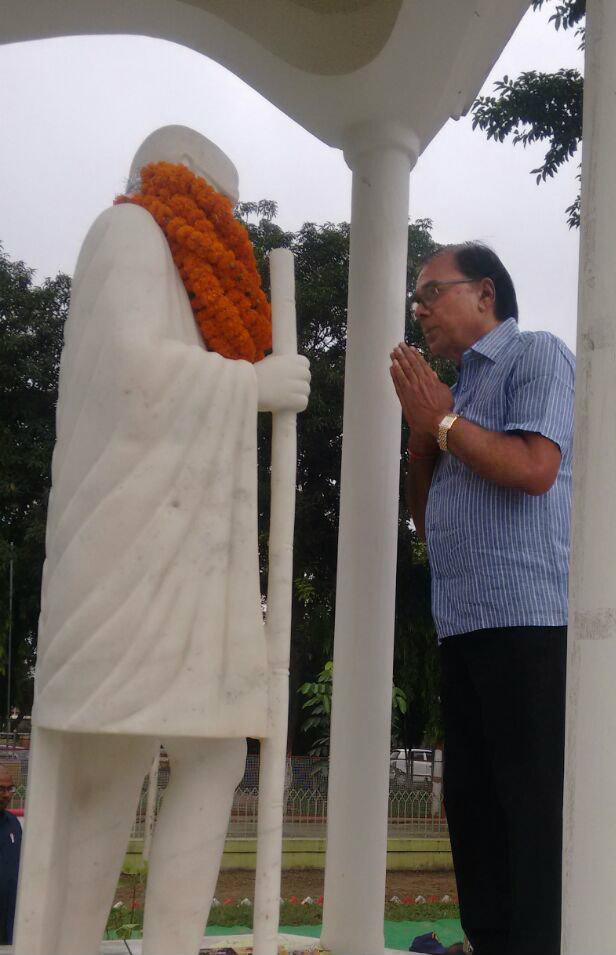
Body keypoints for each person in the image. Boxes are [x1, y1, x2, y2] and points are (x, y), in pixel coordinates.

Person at [14, 126, 310, 955]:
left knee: (209, 758)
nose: (233, 217)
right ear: (191, 181)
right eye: (227, 200)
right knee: (111, 776)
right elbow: (133, 374)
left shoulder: (189, 266)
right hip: (128, 553)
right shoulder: (132, 232)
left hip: (187, 558)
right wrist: (250, 384)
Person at [390, 242, 574, 955]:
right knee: (472, 807)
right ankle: (490, 943)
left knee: (529, 813)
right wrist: (421, 437)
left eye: (431, 292)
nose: (420, 308)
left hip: (529, 622)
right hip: (462, 625)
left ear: (485, 295)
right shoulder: (454, 392)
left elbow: (534, 469)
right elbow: (425, 519)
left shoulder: (536, 355)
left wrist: (441, 421)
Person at [0, 766, 21, 946]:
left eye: (10, 788)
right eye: (1, 789)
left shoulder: (13, 824)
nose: (7, 795)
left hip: (9, 918)